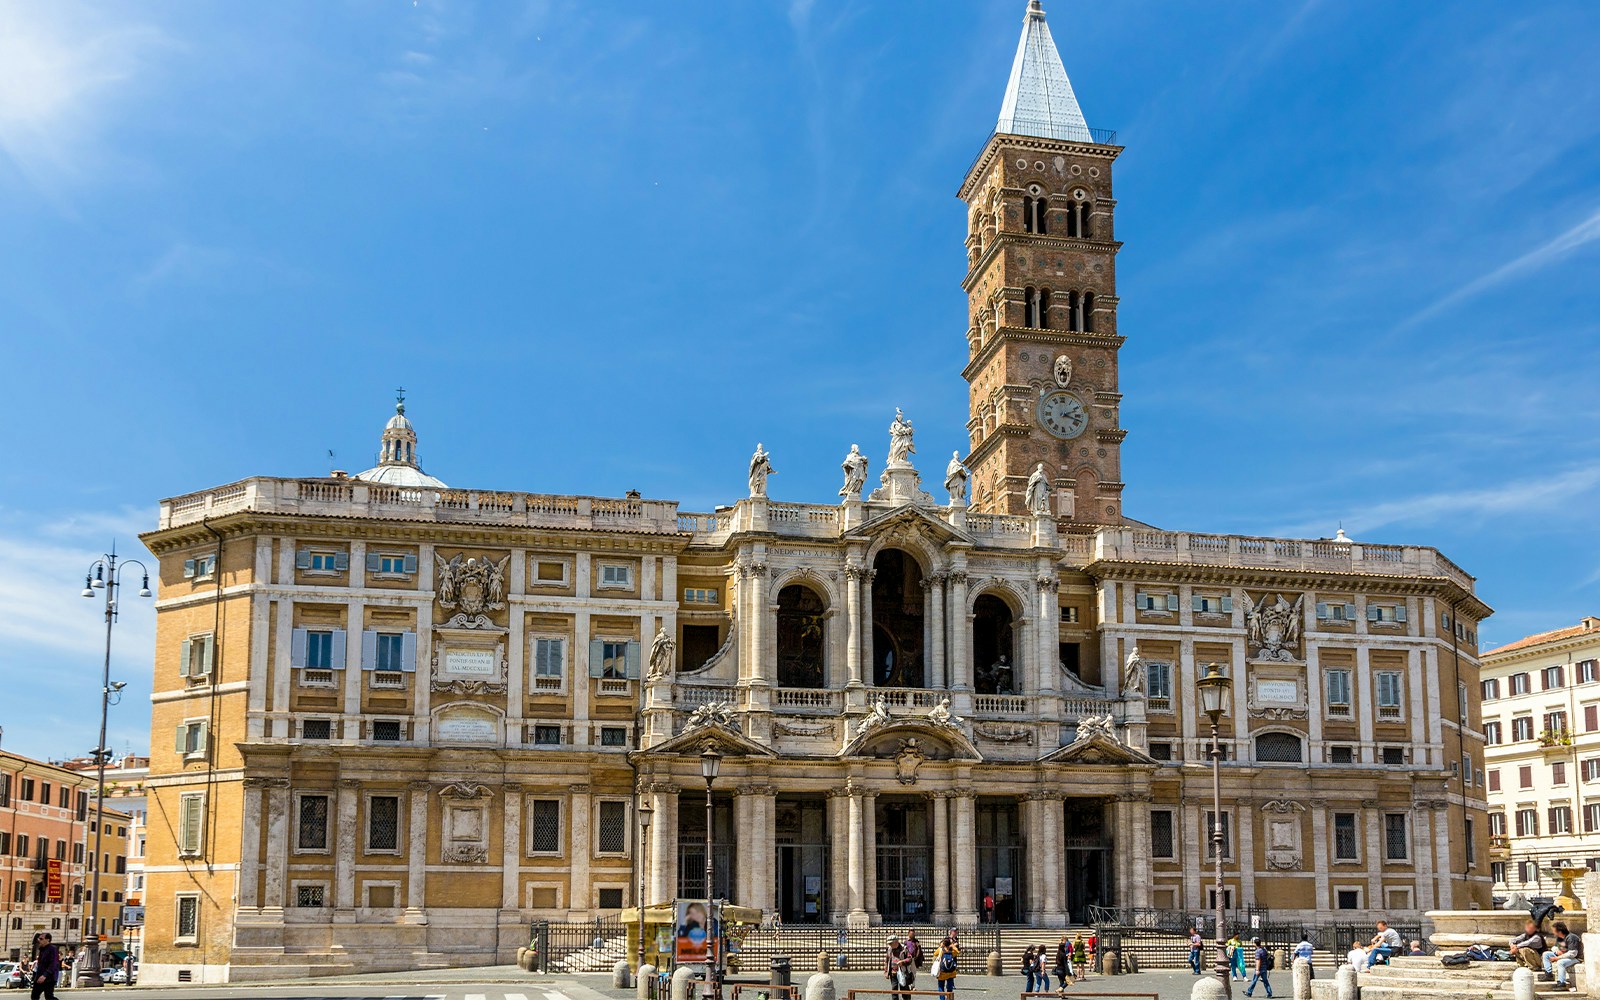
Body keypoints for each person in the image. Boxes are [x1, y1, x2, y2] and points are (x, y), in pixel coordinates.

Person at [1542, 921, 1583, 990]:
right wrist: (1557, 951)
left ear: (1559, 931)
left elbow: (1572, 953)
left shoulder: (1571, 937)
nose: (1553, 932)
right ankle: (1548, 974)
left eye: (1554, 931)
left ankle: (1561, 983)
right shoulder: (1559, 938)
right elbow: (1554, 947)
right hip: (1564, 955)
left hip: (1575, 958)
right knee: (1546, 954)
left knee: (1561, 962)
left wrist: (1558, 958)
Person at [29, 932, 59, 1000]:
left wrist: (45, 975)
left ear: (48, 940)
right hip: (39, 976)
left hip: (49, 978)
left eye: (41, 939)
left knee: (49, 996)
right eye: (38, 938)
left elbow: (53, 963)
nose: (39, 940)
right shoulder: (41, 949)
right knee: (34, 996)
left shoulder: (52, 949)